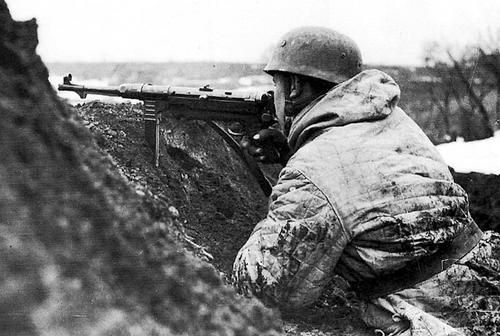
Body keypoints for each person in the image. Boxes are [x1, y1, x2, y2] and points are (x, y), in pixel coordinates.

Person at [233, 27, 498, 336]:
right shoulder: (393, 120)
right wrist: (293, 151)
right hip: (483, 285)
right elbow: (355, 178)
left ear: (293, 87)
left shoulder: (314, 168)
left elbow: (264, 284)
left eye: (275, 85)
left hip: (432, 317)